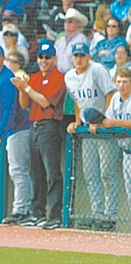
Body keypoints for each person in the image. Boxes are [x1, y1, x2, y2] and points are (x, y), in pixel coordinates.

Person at [11, 39, 67, 230]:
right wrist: (22, 88)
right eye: (41, 57)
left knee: (52, 172)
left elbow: (44, 102)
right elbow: (25, 104)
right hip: (34, 125)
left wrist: (26, 87)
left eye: (47, 57)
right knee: (36, 172)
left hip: (50, 125)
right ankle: (38, 213)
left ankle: (55, 215)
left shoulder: (58, 77)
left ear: (54, 58)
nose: (44, 60)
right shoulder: (34, 77)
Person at [65, 43, 119, 231]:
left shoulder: (97, 69)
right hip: (88, 130)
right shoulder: (69, 76)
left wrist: (103, 118)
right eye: (76, 55)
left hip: (104, 130)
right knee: (90, 174)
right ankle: (97, 213)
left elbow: (111, 94)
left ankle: (110, 215)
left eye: (82, 55)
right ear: (72, 58)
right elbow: (77, 102)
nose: (79, 59)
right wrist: (77, 122)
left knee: (107, 173)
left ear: (88, 56)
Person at [0, 44, 33, 226]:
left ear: (2, 58)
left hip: (19, 127)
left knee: (18, 169)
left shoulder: (6, 78)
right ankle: (22, 208)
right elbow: (1, 108)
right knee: (17, 169)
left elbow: (10, 110)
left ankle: (22, 209)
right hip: (12, 127)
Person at [101, 68, 131, 218]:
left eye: (125, 81)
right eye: (119, 82)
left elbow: (113, 121)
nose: (122, 85)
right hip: (126, 152)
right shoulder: (115, 98)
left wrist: (116, 122)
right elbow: (107, 120)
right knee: (129, 190)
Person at [54, 8, 89, 74]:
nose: (67, 23)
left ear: (78, 24)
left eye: (70, 21)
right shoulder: (60, 40)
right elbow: (54, 58)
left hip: (75, 75)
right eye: (65, 21)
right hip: (58, 75)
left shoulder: (81, 39)